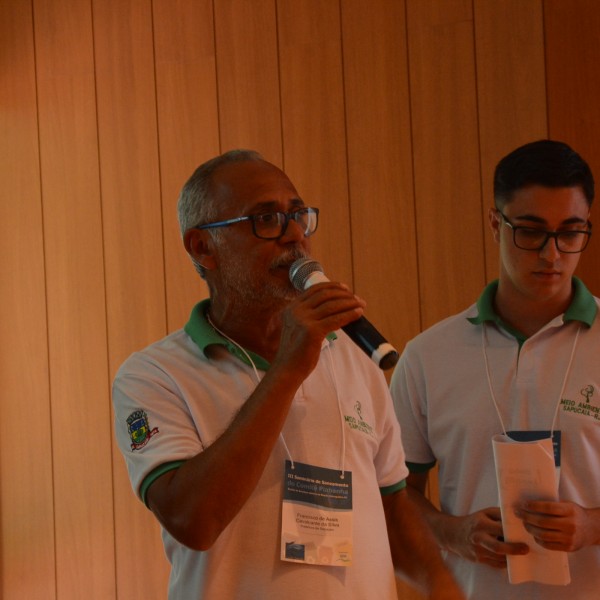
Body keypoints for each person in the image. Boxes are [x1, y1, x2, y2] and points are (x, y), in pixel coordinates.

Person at [112, 149, 463, 599]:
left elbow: (393, 509)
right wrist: (288, 369)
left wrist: (444, 586)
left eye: (298, 215)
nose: (294, 234)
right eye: (266, 220)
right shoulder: (153, 375)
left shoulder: (355, 358)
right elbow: (193, 522)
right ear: (203, 247)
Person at [390, 139, 600, 599]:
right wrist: (449, 531)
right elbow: (391, 491)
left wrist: (590, 525)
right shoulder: (428, 355)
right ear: (494, 224)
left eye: (570, 232)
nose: (551, 255)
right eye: (530, 231)